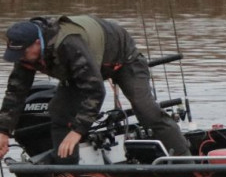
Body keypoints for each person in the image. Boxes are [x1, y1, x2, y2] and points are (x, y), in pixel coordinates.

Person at [0, 15, 191, 163]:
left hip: (123, 60)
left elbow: (95, 91)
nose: (19, 57)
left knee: (146, 111)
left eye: (22, 52)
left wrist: (77, 131)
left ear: (37, 43)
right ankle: (66, 170)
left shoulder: (68, 44)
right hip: (84, 67)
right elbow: (16, 92)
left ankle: (185, 162)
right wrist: (4, 132)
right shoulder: (25, 55)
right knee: (58, 111)